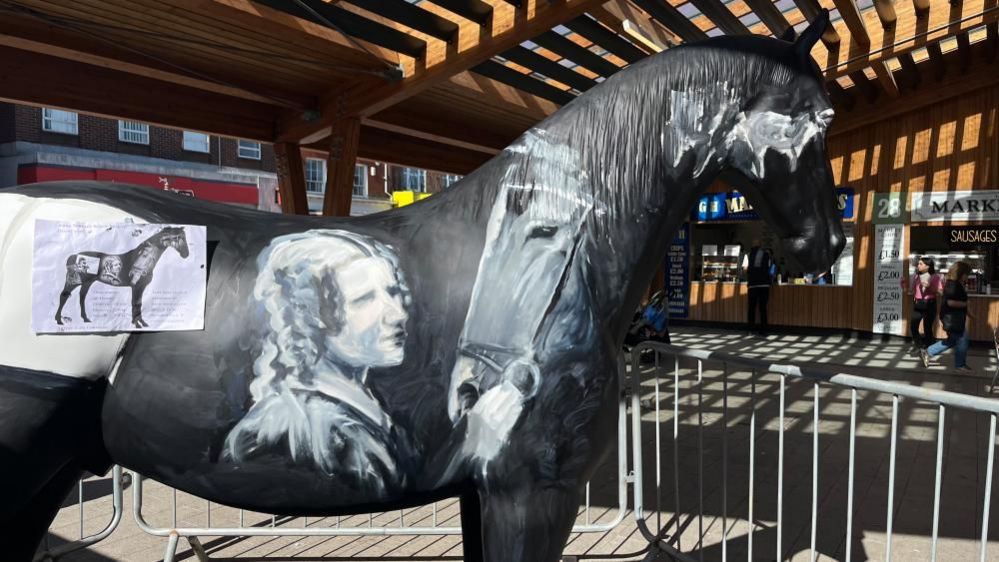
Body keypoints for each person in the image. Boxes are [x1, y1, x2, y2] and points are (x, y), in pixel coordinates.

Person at [221, 230, 413, 495]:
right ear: (311, 317)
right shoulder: (301, 428)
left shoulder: (356, 410)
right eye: (364, 299)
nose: (398, 313)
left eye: (393, 293)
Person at [920, 261, 973, 372]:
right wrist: (966, 304)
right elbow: (951, 302)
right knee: (962, 339)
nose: (967, 277)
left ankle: (928, 351)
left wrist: (969, 313)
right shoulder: (953, 285)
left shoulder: (955, 284)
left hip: (953, 317)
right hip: (952, 318)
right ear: (961, 273)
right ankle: (960, 365)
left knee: (953, 340)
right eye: (966, 274)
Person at [902, 257, 943, 352]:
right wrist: (904, 286)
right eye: (918, 263)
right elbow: (911, 292)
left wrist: (930, 287)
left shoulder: (935, 277)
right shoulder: (916, 276)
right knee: (913, 326)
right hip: (918, 303)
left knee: (927, 328)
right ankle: (919, 346)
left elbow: (941, 292)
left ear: (928, 266)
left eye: (921, 264)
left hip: (930, 304)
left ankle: (929, 349)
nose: (918, 265)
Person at [742, 239, 774, 336]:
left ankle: (751, 330)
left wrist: (750, 274)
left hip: (753, 285)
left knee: (752, 308)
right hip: (764, 285)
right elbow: (770, 269)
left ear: (752, 245)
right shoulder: (767, 254)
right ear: (760, 245)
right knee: (763, 308)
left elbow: (744, 269)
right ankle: (763, 331)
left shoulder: (747, 255)